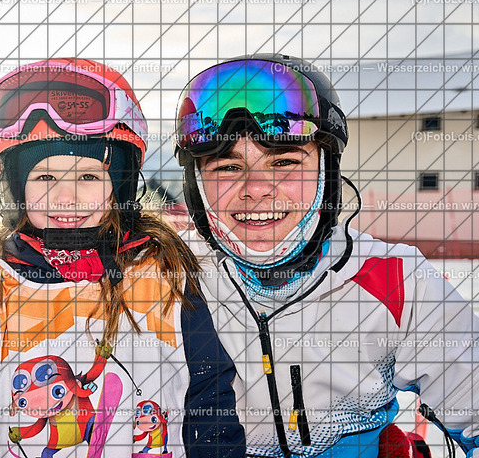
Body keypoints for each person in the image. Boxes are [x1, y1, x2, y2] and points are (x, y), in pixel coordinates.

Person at [174, 53, 479, 458]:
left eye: (284, 162)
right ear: (196, 185)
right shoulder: (170, 279)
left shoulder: (396, 281)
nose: (256, 189)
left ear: (326, 172)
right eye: (227, 168)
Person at [0, 58, 204, 458]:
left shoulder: (168, 276)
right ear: (16, 189)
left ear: (120, 186)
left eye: (88, 176)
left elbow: (209, 398)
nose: (66, 197)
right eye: (45, 177)